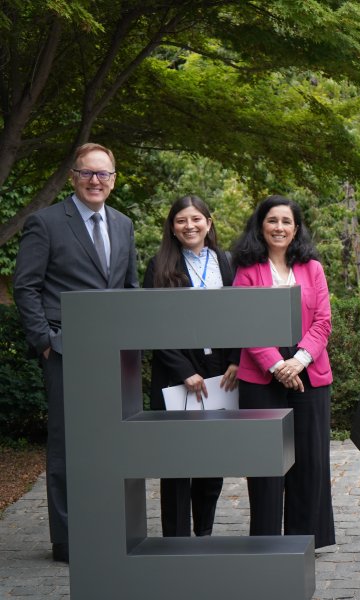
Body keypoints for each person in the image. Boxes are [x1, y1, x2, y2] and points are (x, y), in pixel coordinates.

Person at [13, 143, 138, 563]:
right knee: (67, 443)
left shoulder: (123, 224)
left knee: (112, 442)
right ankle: (67, 538)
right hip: (65, 351)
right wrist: (45, 342)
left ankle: (109, 527)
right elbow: (25, 286)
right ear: (73, 176)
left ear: (113, 180)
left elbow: (129, 290)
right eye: (87, 172)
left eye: (103, 174)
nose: (95, 181)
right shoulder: (46, 222)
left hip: (115, 354)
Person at [231, 195, 335, 547]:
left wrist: (299, 361)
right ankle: (266, 541)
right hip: (262, 376)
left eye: (286, 221)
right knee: (265, 465)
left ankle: (304, 540)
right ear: (260, 226)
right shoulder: (247, 270)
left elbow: (323, 321)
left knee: (309, 461)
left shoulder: (312, 268)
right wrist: (277, 365)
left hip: (309, 371)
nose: (279, 227)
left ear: (296, 228)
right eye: (272, 220)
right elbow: (243, 322)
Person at [143, 195, 240, 537]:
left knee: (212, 461)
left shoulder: (226, 262)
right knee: (176, 462)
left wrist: (235, 360)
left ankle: (204, 535)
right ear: (172, 227)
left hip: (220, 371)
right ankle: (176, 539)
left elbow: (240, 315)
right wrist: (184, 370)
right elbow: (151, 325)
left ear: (208, 223)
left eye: (196, 219)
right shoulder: (158, 265)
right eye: (181, 220)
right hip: (176, 371)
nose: (190, 226)